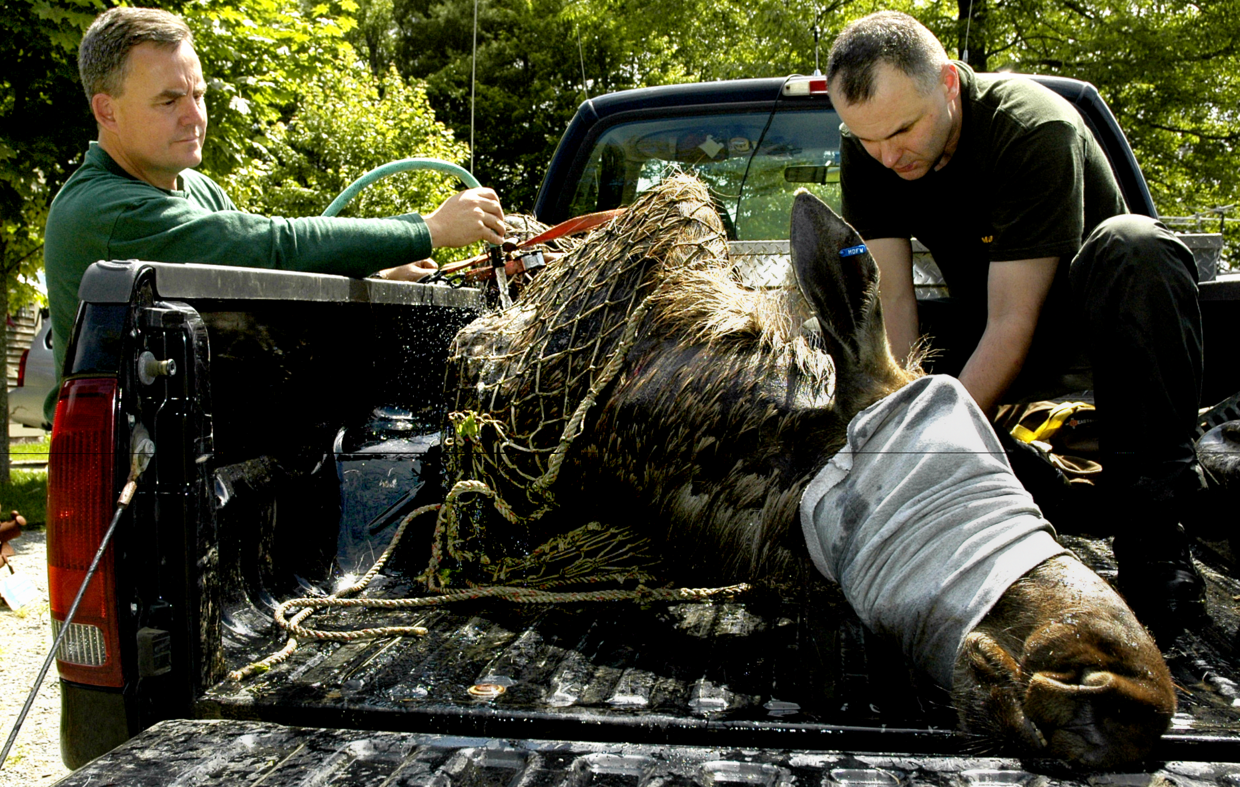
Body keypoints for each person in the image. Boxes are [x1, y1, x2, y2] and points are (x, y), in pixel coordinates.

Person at [826, 11, 1206, 641]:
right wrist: (891, 433)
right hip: (985, 334)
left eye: (902, 130)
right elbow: (893, 304)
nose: (887, 155)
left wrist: (930, 447)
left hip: (1090, 349)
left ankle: (1154, 539)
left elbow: (1014, 319)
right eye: (867, 139)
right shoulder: (871, 141)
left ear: (948, 83)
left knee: (1137, 244)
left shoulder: (1034, 127)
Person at [44, 7, 506, 423]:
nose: (194, 117)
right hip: (137, 468)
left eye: (198, 95)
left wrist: (382, 275)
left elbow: (260, 283)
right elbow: (273, 247)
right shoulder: (105, 210)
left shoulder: (195, 187)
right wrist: (427, 230)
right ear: (107, 110)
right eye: (169, 101)